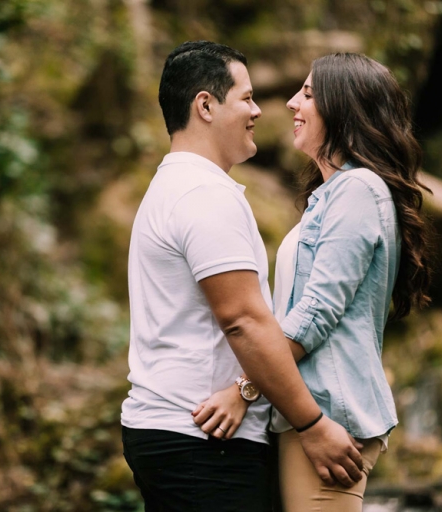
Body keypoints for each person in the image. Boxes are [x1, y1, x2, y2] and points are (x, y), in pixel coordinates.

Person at [120, 41, 365, 512]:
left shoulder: (173, 185)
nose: (258, 110)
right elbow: (243, 321)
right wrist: (312, 426)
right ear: (205, 106)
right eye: (246, 97)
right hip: (203, 438)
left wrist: (247, 390)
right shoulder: (203, 194)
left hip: (181, 431)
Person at [194, 52, 432, 511]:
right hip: (311, 408)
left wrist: (245, 388)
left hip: (330, 413)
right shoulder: (335, 194)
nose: (289, 103)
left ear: (343, 107)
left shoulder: (359, 190)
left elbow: (316, 312)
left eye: (307, 93)